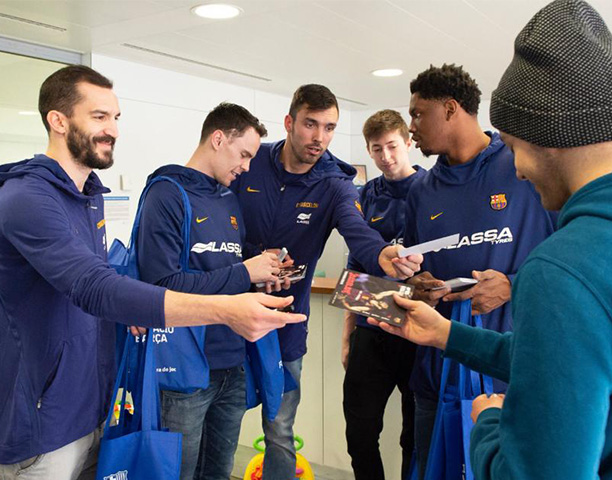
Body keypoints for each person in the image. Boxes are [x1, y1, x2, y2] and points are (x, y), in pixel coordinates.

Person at [370, 1, 612, 478]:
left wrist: (489, 424)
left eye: (515, 148)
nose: (515, 168)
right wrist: (448, 333)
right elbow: (586, 360)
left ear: (549, 133)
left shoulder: (563, 271)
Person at [0, 65, 305, 480]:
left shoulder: (89, 198)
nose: (114, 130)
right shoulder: (25, 197)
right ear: (58, 120)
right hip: (45, 425)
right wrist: (226, 309)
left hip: (94, 407)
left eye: (116, 118)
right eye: (99, 117)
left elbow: (99, 290)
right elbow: (95, 287)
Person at [231, 85, 422, 480]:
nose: (319, 137)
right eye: (310, 124)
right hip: (228, 317)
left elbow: (358, 233)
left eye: (329, 127)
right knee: (225, 421)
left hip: (287, 326)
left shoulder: (336, 183)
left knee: (279, 429)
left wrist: (383, 254)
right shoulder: (251, 162)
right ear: (290, 123)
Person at [403, 63, 555, 477]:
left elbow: (571, 264)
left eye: (418, 114)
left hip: (514, 376)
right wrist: (418, 286)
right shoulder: (420, 191)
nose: (410, 126)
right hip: (437, 375)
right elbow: (415, 271)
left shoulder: (522, 165)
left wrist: (513, 286)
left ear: (451, 109)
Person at [136, 103, 287, 480]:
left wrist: (262, 271)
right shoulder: (165, 195)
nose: (247, 167)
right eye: (243, 154)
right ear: (218, 139)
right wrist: (243, 273)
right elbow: (163, 287)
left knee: (218, 473)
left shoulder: (228, 198)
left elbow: (225, 271)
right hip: (184, 371)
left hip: (232, 366)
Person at [341, 109, 426, 480]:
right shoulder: (364, 195)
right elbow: (354, 269)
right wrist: (348, 335)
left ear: (408, 142)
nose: (386, 156)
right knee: (359, 435)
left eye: (392, 146)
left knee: (416, 438)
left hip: (419, 329)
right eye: (377, 149)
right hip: (371, 326)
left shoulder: (433, 189)